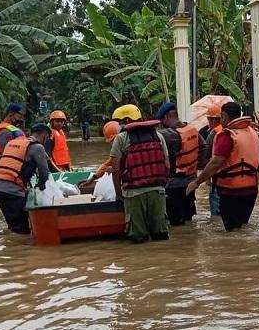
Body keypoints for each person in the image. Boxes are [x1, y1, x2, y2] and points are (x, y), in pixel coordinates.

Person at [187, 102, 259, 231]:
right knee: (242, 227)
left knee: (232, 230)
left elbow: (215, 163)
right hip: (251, 189)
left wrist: (196, 182)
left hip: (231, 191)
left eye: (221, 117)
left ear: (224, 117)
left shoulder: (226, 136)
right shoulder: (252, 132)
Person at [109, 104, 170, 243]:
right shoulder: (158, 136)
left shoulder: (121, 139)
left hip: (133, 194)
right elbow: (167, 166)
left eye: (119, 122)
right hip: (157, 192)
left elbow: (116, 171)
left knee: (138, 239)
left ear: (126, 121)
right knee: (161, 236)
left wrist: (118, 193)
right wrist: (161, 185)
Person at [0, 123, 52, 234]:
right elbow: (44, 173)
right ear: (44, 135)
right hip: (12, 193)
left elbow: (18, 167)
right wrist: (40, 188)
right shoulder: (37, 147)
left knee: (13, 226)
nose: (46, 141)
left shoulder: (12, 143)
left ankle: (10, 247)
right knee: (22, 231)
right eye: (47, 138)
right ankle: (19, 249)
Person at [156, 102, 207, 226]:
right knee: (188, 220)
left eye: (161, 120)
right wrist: (197, 165)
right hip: (191, 182)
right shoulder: (191, 129)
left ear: (167, 117)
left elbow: (151, 139)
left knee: (175, 224)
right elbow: (204, 147)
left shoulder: (168, 135)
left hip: (174, 185)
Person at [78, 121, 121, 190]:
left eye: (113, 141)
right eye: (111, 142)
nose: (112, 144)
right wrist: (93, 178)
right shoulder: (117, 151)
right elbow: (106, 165)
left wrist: (113, 169)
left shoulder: (128, 147)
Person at [203, 105, 223, 216]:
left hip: (216, 179)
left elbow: (205, 155)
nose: (208, 122)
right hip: (231, 181)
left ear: (214, 120)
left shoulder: (213, 134)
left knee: (216, 218)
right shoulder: (232, 130)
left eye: (208, 120)